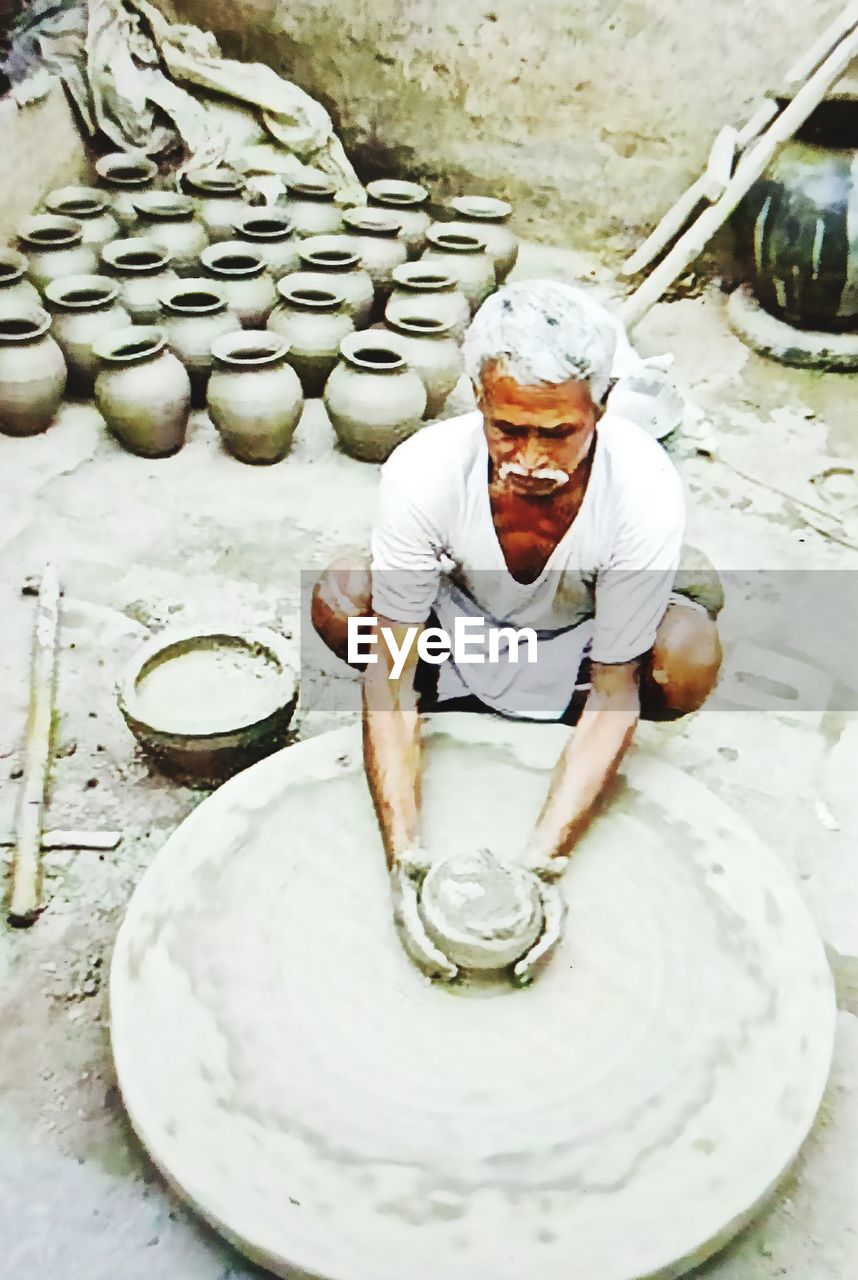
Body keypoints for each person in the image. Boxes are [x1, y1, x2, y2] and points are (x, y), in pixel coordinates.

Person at [312, 281, 722, 983]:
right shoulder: (426, 470)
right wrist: (403, 861)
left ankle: (529, 704)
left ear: (604, 402)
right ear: (478, 396)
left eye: (558, 432)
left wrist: (542, 867)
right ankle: (480, 699)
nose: (530, 458)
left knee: (684, 659)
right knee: (342, 601)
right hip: (467, 625)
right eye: (508, 429)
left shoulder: (643, 490)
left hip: (577, 643)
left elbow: (616, 690)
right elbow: (394, 669)